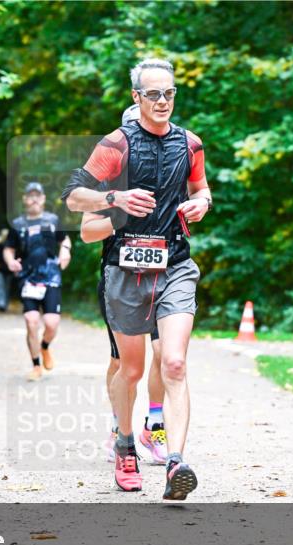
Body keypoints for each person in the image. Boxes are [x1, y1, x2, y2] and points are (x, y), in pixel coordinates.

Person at [64, 59, 212, 499]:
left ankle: (175, 463)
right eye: (153, 94)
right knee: (130, 368)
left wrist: (201, 203)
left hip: (175, 266)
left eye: (169, 93)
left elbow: (202, 188)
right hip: (126, 271)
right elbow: (73, 198)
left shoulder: (191, 144)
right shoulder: (116, 145)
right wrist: (117, 201)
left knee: (174, 362)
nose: (163, 101)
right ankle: (125, 445)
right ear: (136, 98)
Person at [82, 104, 167, 467]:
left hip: (162, 276)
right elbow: (87, 231)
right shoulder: (108, 182)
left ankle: (156, 425)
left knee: (165, 354)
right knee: (122, 363)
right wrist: (121, 214)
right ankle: (120, 426)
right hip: (119, 276)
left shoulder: (169, 173)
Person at [4, 182, 72, 381]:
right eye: (30, 195)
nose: (34, 199)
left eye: (37, 195)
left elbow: (65, 240)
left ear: (43, 199)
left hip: (51, 277)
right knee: (31, 321)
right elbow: (8, 249)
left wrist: (65, 251)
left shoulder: (52, 220)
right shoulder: (17, 224)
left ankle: (44, 348)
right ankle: (36, 366)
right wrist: (10, 262)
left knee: (52, 323)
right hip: (28, 279)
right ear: (24, 199)